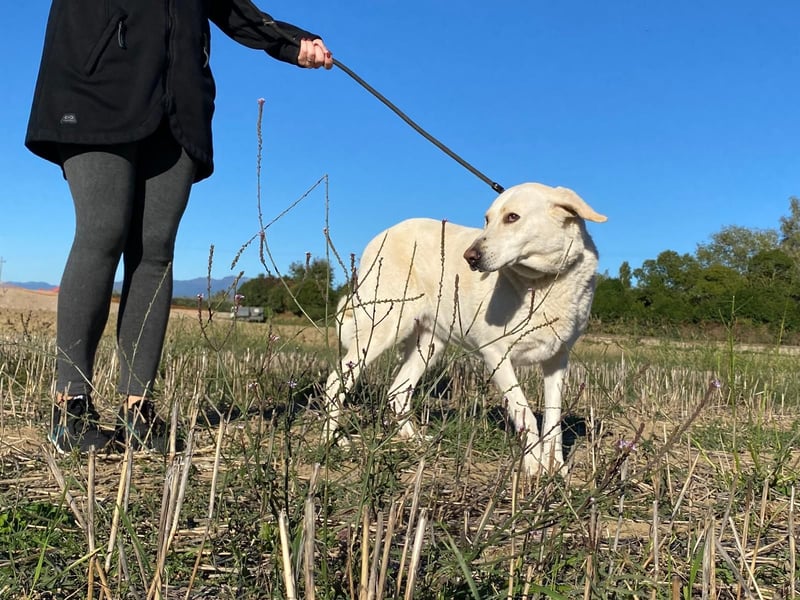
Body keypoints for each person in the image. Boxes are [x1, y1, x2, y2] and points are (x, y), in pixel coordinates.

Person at [25, 1, 333, 454]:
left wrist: (289, 41)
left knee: (156, 250)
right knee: (103, 232)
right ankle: (69, 407)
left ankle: (137, 410)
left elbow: (227, 5)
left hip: (178, 98)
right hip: (96, 84)